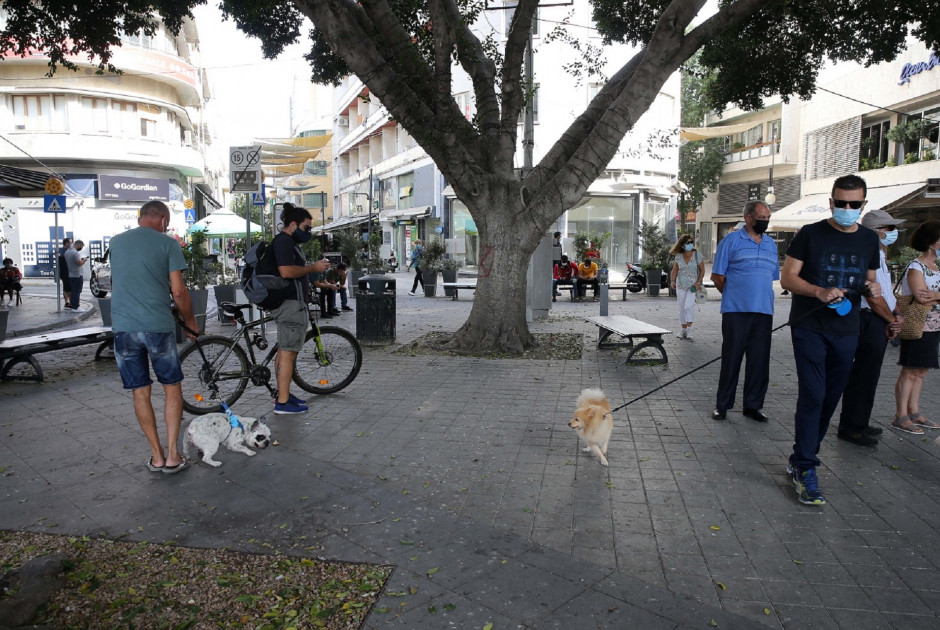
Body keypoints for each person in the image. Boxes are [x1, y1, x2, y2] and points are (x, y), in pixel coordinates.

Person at [780, 174, 882, 506]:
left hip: (847, 329)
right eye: (841, 203)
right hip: (809, 327)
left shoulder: (869, 240)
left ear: (863, 205)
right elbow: (788, 278)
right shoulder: (810, 234)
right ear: (831, 203)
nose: (847, 209)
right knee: (813, 393)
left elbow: (868, 279)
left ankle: (801, 456)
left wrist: (873, 289)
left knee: (830, 397)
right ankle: (807, 467)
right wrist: (819, 291)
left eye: (854, 204)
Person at [109, 200, 197, 474]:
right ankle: (173, 455)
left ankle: (156, 456)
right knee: (171, 388)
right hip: (157, 327)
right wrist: (191, 321)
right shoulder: (167, 244)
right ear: (162, 220)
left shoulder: (116, 242)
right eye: (167, 223)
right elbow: (179, 292)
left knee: (140, 391)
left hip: (123, 327)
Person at [836, 210, 906, 446]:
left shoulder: (881, 256)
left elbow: (886, 292)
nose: (892, 233)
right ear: (876, 232)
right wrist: (891, 319)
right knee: (863, 374)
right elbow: (873, 297)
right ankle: (851, 426)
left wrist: (896, 313)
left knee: (870, 375)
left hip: (878, 318)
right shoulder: (865, 255)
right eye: (888, 229)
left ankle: (859, 422)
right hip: (867, 317)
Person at [710, 200, 778, 423]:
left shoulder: (771, 244)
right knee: (732, 359)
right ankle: (723, 405)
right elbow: (717, 276)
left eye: (768, 219)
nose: (765, 222)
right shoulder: (731, 241)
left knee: (759, 361)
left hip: (764, 311)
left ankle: (753, 406)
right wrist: (733, 295)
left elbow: (771, 278)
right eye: (762, 218)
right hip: (736, 312)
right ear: (748, 218)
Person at [270, 202, 330, 414]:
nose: (308, 233)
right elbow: (286, 271)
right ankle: (282, 403)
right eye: (306, 228)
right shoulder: (284, 242)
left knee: (284, 351)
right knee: (288, 353)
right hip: (290, 306)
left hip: (291, 304)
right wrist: (312, 268)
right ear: (293, 224)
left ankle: (283, 395)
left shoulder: (288, 243)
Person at [893, 220, 940, 436]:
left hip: (934, 325)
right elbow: (922, 298)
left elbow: (932, 297)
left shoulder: (936, 266)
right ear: (933, 242)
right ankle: (901, 415)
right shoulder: (916, 267)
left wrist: (937, 296)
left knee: (922, 371)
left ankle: (915, 411)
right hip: (918, 325)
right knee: (910, 370)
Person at [669, 234, 705, 340]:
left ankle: (689, 329)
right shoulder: (679, 256)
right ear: (682, 245)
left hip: (693, 286)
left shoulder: (697, 255)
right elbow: (675, 270)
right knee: (681, 308)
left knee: (689, 306)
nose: (690, 244)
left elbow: (702, 270)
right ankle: (683, 329)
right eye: (688, 243)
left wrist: (698, 282)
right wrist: (672, 280)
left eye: (691, 242)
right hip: (681, 285)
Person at [64, 239, 88, 310]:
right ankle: (76, 307)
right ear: (79, 245)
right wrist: (84, 260)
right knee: (77, 291)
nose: (81, 249)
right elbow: (79, 263)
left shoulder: (67, 252)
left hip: (71, 274)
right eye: (81, 247)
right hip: (77, 274)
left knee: (73, 291)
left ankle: (73, 305)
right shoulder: (75, 253)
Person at [58, 237, 72, 308]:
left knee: (67, 288)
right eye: (70, 243)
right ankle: (67, 302)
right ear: (66, 243)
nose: (71, 244)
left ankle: (68, 302)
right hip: (64, 272)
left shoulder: (69, 250)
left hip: (68, 271)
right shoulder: (62, 251)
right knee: (67, 288)